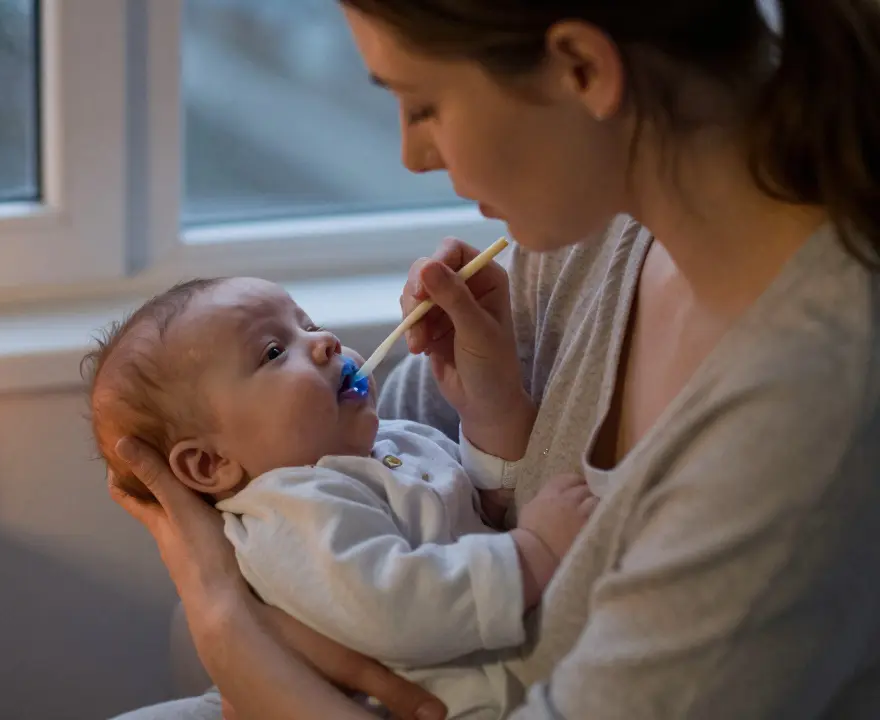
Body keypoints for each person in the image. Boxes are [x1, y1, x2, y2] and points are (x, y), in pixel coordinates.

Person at [110, 0, 880, 717]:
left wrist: (231, 635)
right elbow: (357, 475)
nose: (412, 156)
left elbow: (249, 607)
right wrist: (497, 407)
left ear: (582, 68)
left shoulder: (812, 420)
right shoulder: (589, 229)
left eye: (422, 105)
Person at [85, 276, 597, 718]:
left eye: (308, 323)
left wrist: (490, 418)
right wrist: (534, 552)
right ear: (211, 463)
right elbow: (396, 606)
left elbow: (481, 508)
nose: (325, 341)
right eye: (273, 352)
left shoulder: (384, 443)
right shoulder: (289, 509)